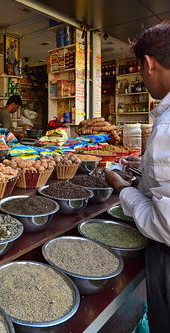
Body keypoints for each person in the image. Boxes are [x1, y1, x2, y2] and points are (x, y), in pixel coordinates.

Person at [104, 21, 170, 333]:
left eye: (141, 72)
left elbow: (166, 226)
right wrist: (145, 167)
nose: (144, 80)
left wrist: (123, 188)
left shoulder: (167, 127)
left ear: (148, 64)